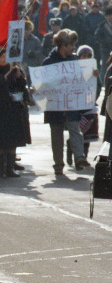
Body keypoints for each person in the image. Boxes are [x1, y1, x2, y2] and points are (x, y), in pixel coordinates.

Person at [42, 29, 89, 175]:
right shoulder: (48, 62)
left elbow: (83, 80)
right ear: (63, 45)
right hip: (55, 106)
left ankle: (79, 158)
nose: (74, 48)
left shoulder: (74, 61)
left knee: (75, 130)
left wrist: (91, 75)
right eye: (71, 45)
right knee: (56, 135)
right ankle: (58, 164)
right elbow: (43, 84)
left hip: (71, 104)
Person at [0, 47, 30, 178]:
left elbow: (22, 85)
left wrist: (18, 77)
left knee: (12, 140)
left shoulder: (13, 69)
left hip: (13, 109)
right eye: (3, 56)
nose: (6, 59)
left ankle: (10, 167)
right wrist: (5, 77)